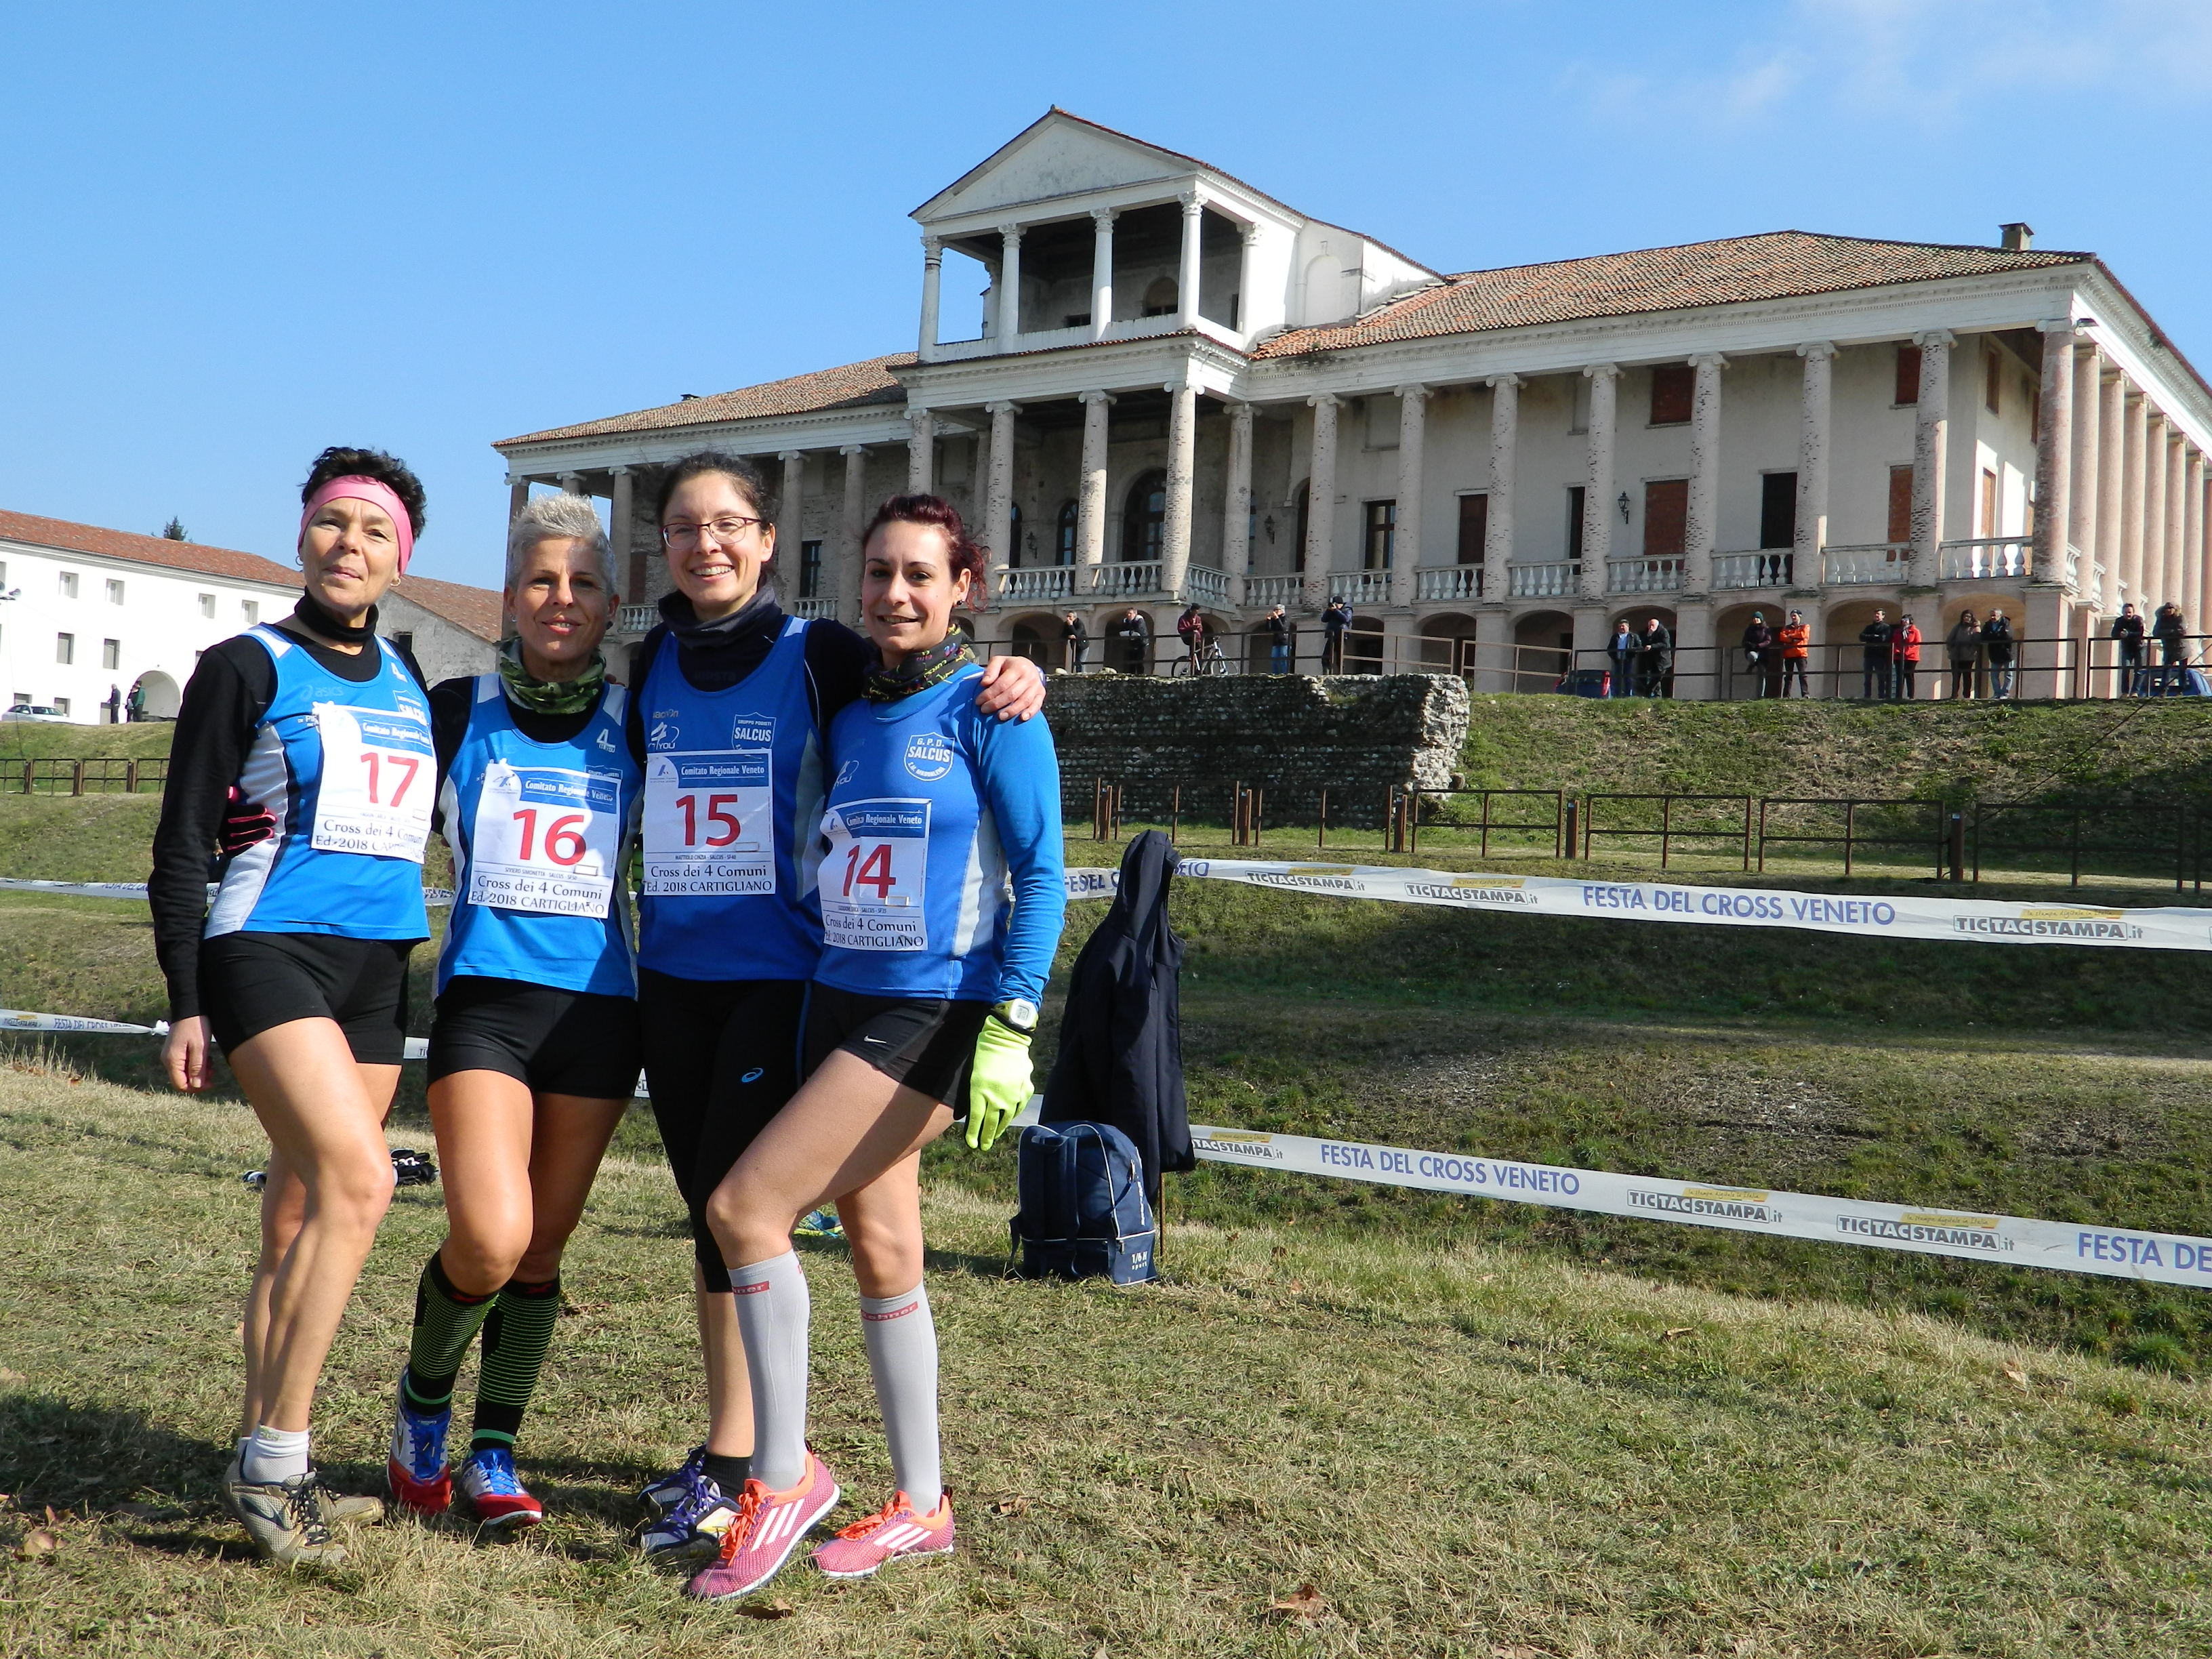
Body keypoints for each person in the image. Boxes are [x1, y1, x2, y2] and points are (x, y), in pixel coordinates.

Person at [623, 454, 1043, 1563]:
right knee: (884, 1244)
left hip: (932, 1012)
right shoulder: (855, 704)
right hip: (834, 997)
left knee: (747, 1209)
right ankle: (921, 1500)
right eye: (876, 573)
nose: (895, 593)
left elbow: (1041, 875)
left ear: (964, 585)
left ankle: (778, 1473)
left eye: (920, 574)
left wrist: (1013, 1025)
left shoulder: (995, 707)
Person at [148, 447, 434, 1567]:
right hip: (265, 953)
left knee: (299, 1212)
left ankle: (276, 1453)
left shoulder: (414, 676)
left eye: (373, 530)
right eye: (331, 523)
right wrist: (185, 1000)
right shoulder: (245, 666)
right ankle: (273, 1463)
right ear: (302, 537)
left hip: (376, 971)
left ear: (400, 558)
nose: (348, 544)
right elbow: (179, 844)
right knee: (363, 1181)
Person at [378, 494, 642, 1532]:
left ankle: (494, 1451)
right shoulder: (450, 707)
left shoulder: (639, 719)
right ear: (510, 597)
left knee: (541, 1255)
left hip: (599, 1015)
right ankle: (422, 1410)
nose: (561, 600)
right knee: (489, 1237)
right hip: (485, 1009)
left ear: (611, 603)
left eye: (582, 583)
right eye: (542, 581)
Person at [2111, 602, 2147, 697]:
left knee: (2138, 670)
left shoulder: (2138, 620)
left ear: (2133, 613)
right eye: (2126, 612)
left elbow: (2140, 633)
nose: (2128, 614)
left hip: (2139, 647)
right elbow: (2113, 634)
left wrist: (2128, 634)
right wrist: (2120, 634)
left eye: (2130, 612)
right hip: (2127, 648)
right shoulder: (2119, 621)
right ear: (2122, 612)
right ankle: (2125, 692)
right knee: (2125, 669)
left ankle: (2135, 692)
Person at [2152, 601, 2189, 695]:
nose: (2168, 610)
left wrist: (2166, 632)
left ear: (2175, 610)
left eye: (2170, 608)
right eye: (2167, 608)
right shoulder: (2161, 619)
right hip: (2168, 647)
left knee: (2182, 670)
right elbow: (2156, 632)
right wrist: (2171, 632)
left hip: (2181, 646)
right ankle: (2163, 690)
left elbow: (2182, 631)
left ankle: (2181, 690)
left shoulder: (2181, 617)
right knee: (2167, 668)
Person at [1859, 610, 1895, 700]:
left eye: (1878, 614)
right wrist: (1874, 636)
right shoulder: (1869, 627)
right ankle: (1867, 696)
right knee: (1867, 677)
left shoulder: (1886, 627)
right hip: (1869, 655)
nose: (1876, 616)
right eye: (1875, 614)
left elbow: (1883, 638)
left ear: (1883, 616)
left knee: (1881, 677)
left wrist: (1871, 637)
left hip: (1880, 655)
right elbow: (1861, 637)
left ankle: (1881, 696)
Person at [1946, 609, 1982, 700]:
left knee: (1967, 675)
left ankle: (1967, 695)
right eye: (1965, 616)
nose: (1967, 618)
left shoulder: (1974, 628)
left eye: (1969, 617)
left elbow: (1977, 641)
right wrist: (1952, 648)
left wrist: (1971, 650)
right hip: (1956, 655)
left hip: (1968, 656)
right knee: (1956, 676)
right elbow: (1950, 639)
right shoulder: (1957, 627)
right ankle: (1954, 695)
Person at [1776, 610, 1811, 699]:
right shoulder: (1787, 627)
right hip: (1789, 654)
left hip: (1801, 654)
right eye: (1792, 616)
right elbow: (1782, 637)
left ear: (1799, 616)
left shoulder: (1805, 626)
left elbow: (1803, 635)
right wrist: (1792, 639)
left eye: (1795, 616)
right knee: (1788, 676)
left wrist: (1790, 636)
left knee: (1802, 674)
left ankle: (1805, 694)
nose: (1793, 617)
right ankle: (1786, 695)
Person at [1982, 608, 2015, 699]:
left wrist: (1993, 637)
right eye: (1991, 615)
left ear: (2000, 615)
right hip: (1994, 653)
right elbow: (1984, 637)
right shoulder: (1987, 625)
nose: (1993, 617)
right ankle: (1997, 693)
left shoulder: (2006, 624)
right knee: (1994, 675)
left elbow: (2008, 637)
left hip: (2007, 653)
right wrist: (1997, 636)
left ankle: (2005, 693)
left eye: (1995, 615)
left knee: (2008, 674)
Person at [1637, 616, 1673, 697]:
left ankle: (1647, 693)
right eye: (1650, 625)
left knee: (1657, 678)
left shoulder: (1663, 632)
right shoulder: (1648, 632)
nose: (1651, 627)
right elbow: (1644, 642)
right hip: (1653, 660)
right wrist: (1649, 636)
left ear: (1657, 625)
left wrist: (1652, 646)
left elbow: (1665, 644)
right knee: (1656, 679)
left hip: (1662, 660)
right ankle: (1658, 696)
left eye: (1652, 625)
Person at [1740, 613, 1773, 699]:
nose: (1756, 620)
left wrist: (1759, 646)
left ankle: (1760, 695)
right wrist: (1750, 645)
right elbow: (1744, 641)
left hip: (1763, 653)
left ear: (1761, 619)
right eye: (1754, 618)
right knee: (1753, 657)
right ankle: (1752, 664)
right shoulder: (1749, 630)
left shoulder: (1766, 629)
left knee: (1762, 675)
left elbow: (1768, 641)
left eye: (1757, 618)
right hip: (1752, 651)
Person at [1605, 620, 1641, 698]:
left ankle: (1628, 695)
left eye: (1623, 626)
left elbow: (1639, 647)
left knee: (1628, 678)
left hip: (1628, 660)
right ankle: (1616, 695)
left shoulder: (1633, 636)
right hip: (1617, 660)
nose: (1621, 628)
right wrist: (1614, 656)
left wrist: (1632, 652)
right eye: (1620, 626)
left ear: (1628, 627)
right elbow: (1610, 648)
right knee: (1617, 678)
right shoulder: (1615, 637)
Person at [1109, 607, 1151, 674]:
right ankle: (1132, 675)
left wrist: (1129, 633)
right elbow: (1121, 632)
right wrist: (1130, 633)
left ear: (1135, 614)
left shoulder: (1139, 620)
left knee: (1139, 661)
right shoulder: (1126, 621)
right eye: (1127, 614)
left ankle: (1141, 676)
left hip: (1142, 643)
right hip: (1132, 643)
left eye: (1130, 613)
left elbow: (1138, 633)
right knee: (1131, 661)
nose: (1128, 615)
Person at [1891, 613, 1923, 701]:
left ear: (1910, 621)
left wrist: (1907, 652)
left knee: (1909, 675)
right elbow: (1894, 642)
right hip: (1899, 657)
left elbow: (1917, 644)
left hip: (1911, 657)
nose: (1904, 621)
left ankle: (1911, 696)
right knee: (1899, 676)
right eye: (1903, 620)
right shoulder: (1898, 631)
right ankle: (1898, 696)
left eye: (1906, 620)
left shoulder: (1915, 631)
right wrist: (1897, 652)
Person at [1321, 595, 1353, 673]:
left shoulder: (1347, 609)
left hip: (1341, 635)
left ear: (1341, 604)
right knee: (1326, 655)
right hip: (1332, 635)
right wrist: (1329, 610)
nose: (1335, 605)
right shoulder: (1332, 611)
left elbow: (1346, 619)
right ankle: (1326, 673)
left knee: (1340, 656)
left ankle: (1340, 673)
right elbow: (1324, 619)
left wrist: (1336, 611)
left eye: (1336, 604)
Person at [1175, 602, 1208, 670]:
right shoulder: (1183, 618)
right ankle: (1192, 664)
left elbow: (1201, 629)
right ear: (1191, 610)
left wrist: (1198, 628)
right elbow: (1181, 629)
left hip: (1197, 638)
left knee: (1200, 652)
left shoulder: (1198, 618)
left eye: (1197, 612)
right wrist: (1192, 628)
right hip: (1187, 637)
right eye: (1195, 612)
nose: (1196, 614)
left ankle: (1199, 667)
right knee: (1194, 649)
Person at [1263, 605, 1291, 674]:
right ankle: (1275, 673)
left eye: (1277, 610)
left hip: (1284, 641)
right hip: (1276, 642)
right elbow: (1269, 630)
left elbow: (1283, 628)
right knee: (1274, 658)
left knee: (1283, 658)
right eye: (1274, 610)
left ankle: (1284, 673)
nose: (1275, 612)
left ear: (1282, 611)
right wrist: (1268, 620)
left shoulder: (1286, 618)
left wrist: (1278, 619)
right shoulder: (1274, 620)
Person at [1060, 609, 1087, 674]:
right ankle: (1078, 673)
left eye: (1070, 617)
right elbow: (1062, 635)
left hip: (1083, 644)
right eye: (1067, 616)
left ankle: (1081, 674)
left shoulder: (1080, 624)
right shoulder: (1066, 624)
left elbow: (1077, 634)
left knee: (1081, 661)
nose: (1068, 618)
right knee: (1077, 660)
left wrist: (1071, 626)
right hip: (1074, 645)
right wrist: (1069, 636)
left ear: (1074, 618)